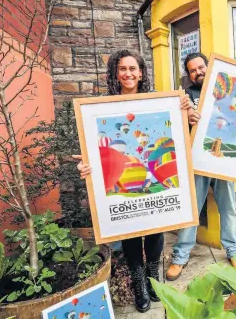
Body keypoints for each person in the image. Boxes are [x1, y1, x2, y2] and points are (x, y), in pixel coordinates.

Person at [73, 49, 191, 313]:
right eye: (123, 69)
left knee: (155, 229)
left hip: (152, 180)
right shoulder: (101, 107)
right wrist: (86, 164)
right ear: (116, 72)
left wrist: (184, 109)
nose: (128, 73)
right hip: (125, 181)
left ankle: (153, 279)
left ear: (141, 73)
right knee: (131, 233)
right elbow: (92, 150)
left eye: (133, 69)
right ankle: (139, 283)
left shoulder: (159, 102)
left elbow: (182, 133)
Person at [166, 52, 236, 281]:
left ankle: (233, 251)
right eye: (193, 70)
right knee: (193, 209)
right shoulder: (185, 96)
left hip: (226, 160)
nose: (198, 72)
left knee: (228, 207)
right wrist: (185, 117)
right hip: (197, 161)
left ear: (208, 66)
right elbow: (174, 130)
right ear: (189, 75)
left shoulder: (228, 88)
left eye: (201, 67)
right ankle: (180, 256)